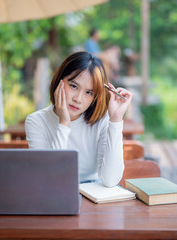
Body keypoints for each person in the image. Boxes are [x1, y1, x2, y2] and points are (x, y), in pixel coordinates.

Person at [25, 52, 132, 187]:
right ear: (59, 81)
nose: (78, 99)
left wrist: (116, 120)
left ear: (95, 96)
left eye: (89, 92)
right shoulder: (36, 121)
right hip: (57, 198)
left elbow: (110, 180)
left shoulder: (102, 120)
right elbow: (50, 179)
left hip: (94, 198)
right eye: (74, 86)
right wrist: (64, 123)